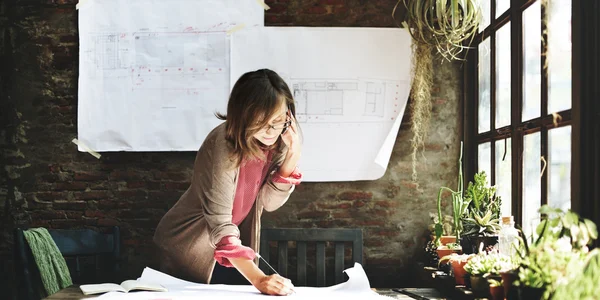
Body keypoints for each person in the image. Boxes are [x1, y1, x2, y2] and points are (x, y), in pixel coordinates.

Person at [153, 69, 302, 296]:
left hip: (230, 247)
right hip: (187, 246)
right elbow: (221, 222)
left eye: (279, 120)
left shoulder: (278, 143)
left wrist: (292, 155)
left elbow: (268, 203)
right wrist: (260, 279)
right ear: (243, 115)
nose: (271, 130)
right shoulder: (224, 144)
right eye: (262, 122)